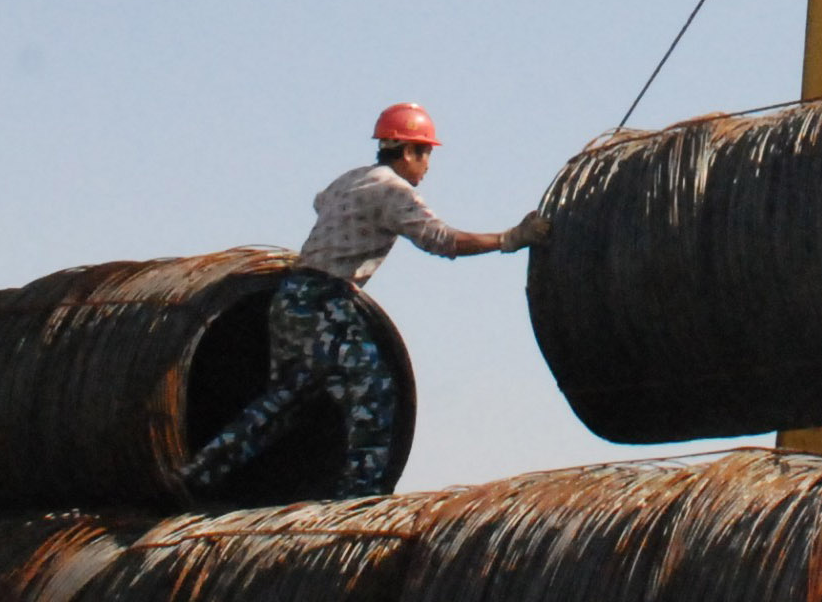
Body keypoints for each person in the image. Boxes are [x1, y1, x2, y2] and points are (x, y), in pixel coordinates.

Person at [181, 101, 548, 500]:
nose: (428, 165)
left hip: (290, 299)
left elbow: (320, 201)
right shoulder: (394, 191)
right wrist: (510, 239)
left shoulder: (351, 179)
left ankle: (198, 475)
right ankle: (360, 497)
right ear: (407, 152)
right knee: (374, 391)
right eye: (425, 153)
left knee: (286, 401)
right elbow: (442, 241)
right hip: (325, 301)